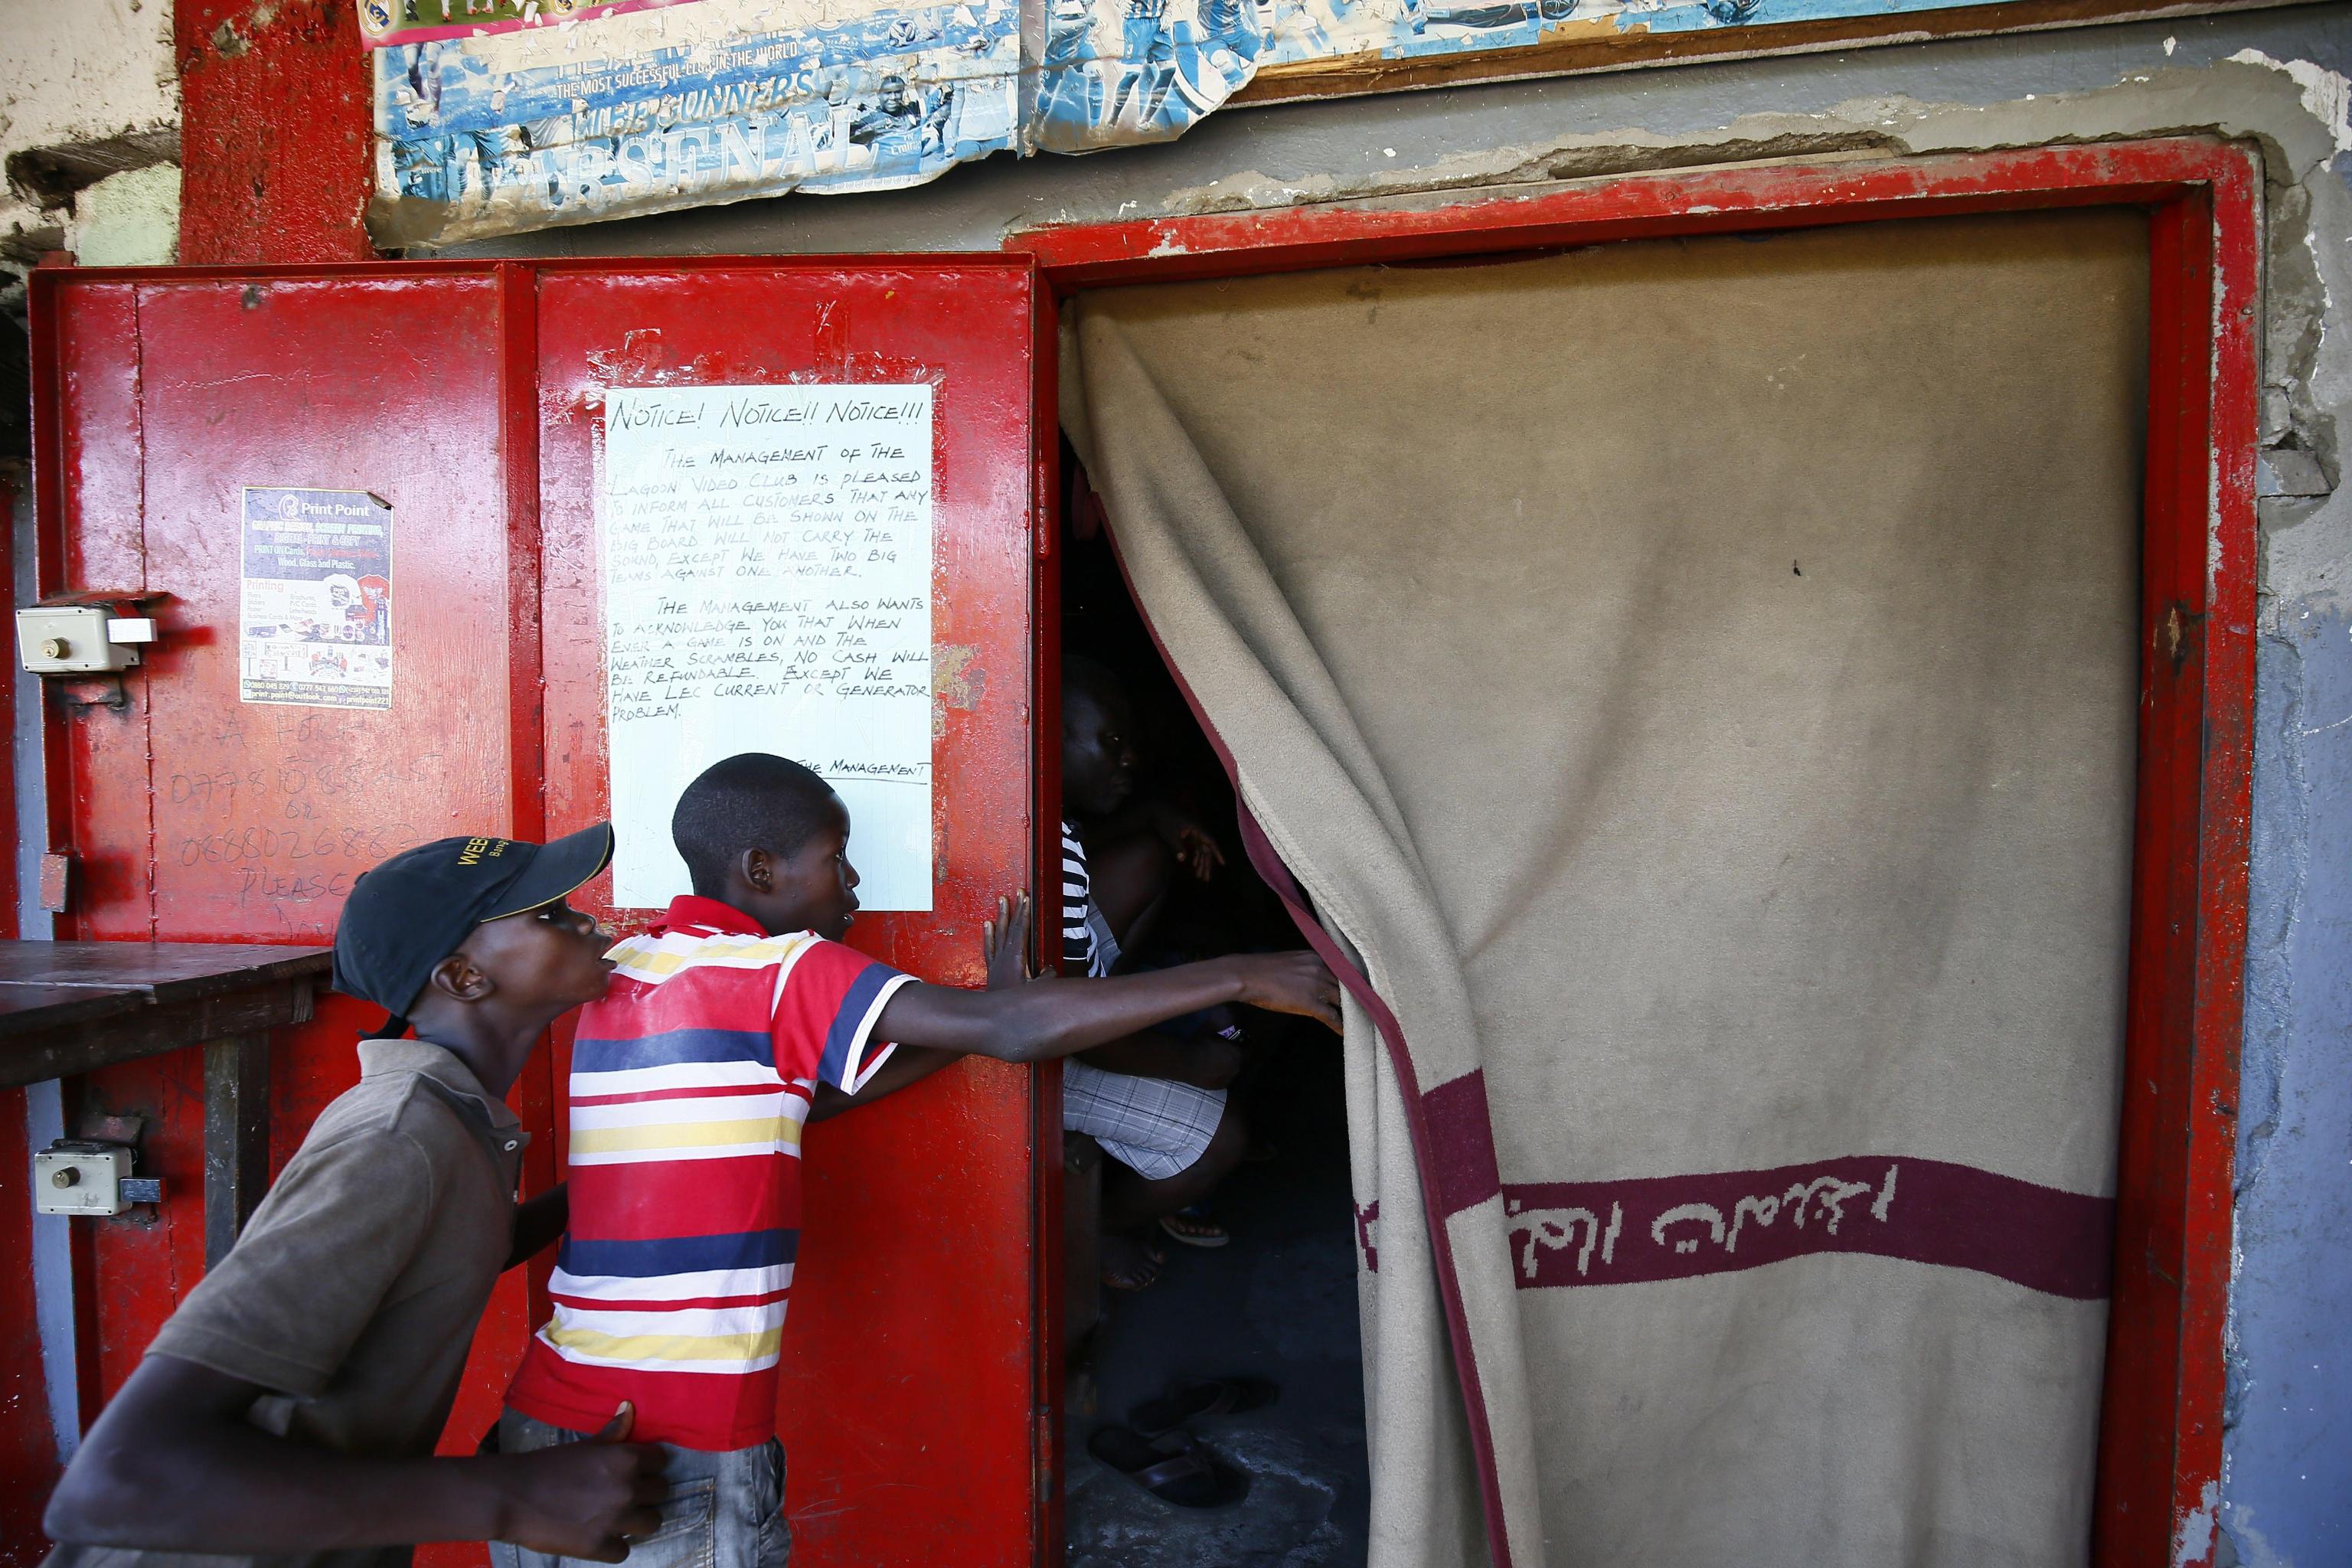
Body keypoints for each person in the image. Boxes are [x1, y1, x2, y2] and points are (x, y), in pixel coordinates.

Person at [492, 752, 1338, 1566]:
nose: (852, 883)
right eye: (836, 860)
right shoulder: (783, 969)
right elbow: (1011, 1033)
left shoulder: (633, 965)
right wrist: (1236, 975)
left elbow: (808, 1096)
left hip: (543, 1426)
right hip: (670, 1445)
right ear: (759, 869)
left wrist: (991, 1011)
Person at [42, 825, 671, 1567]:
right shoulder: (398, 1138)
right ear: (465, 977)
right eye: (549, 914)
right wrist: (513, 1495)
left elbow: (458, 1245)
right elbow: (117, 1482)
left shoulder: (451, 1116)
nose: (590, 922)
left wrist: (627, 1176)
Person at [1058, 655, 1251, 1289]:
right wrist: (1191, 1063)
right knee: (1218, 1140)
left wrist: (1157, 818)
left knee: (1147, 856)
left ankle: (1133, 1000)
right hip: (1026, 1050)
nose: (1129, 759)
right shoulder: (1047, 850)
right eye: (1110, 742)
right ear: (1045, 731)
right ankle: (1096, 1232)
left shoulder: (1045, 824)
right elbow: (1068, 1029)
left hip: (1065, 1004)